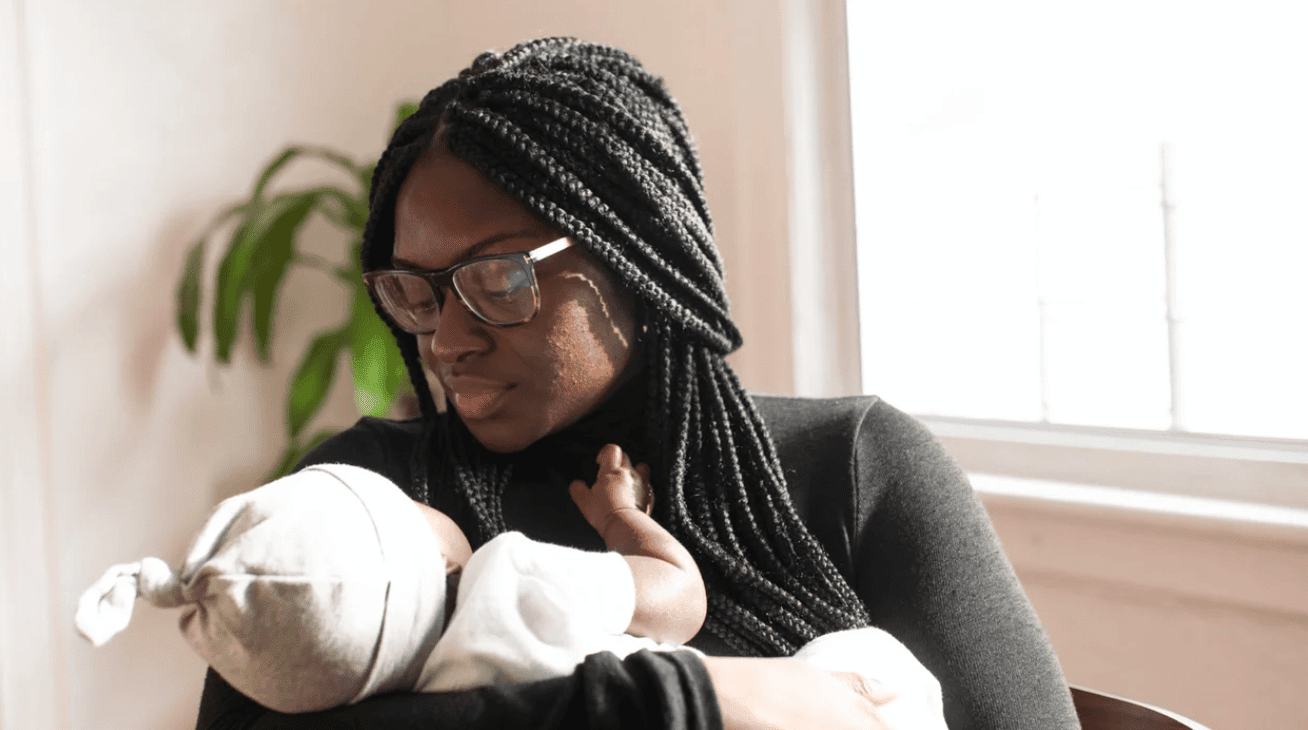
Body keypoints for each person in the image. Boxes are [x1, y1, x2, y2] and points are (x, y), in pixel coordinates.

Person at [195, 37, 1081, 729]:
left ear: (639, 261)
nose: (447, 341)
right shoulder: (375, 502)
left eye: (498, 279)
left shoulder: (853, 467)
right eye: (417, 293)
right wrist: (698, 705)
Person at [78, 452, 945, 729]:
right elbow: (679, 602)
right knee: (864, 664)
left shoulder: (409, 692)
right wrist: (620, 520)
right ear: (426, 560)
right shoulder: (509, 581)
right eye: (412, 507)